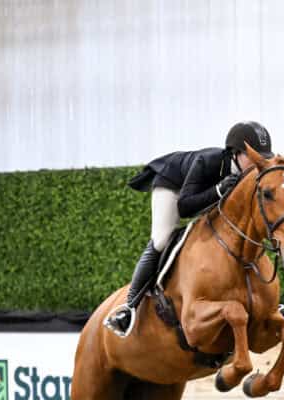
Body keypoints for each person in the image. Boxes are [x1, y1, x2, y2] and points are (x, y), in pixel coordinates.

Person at [103, 121, 275, 337]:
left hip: (200, 193)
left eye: (264, 157)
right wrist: (219, 189)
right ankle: (128, 308)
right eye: (254, 157)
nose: (259, 163)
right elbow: (184, 207)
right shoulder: (208, 162)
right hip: (173, 185)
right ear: (235, 154)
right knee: (161, 239)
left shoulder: (247, 176)